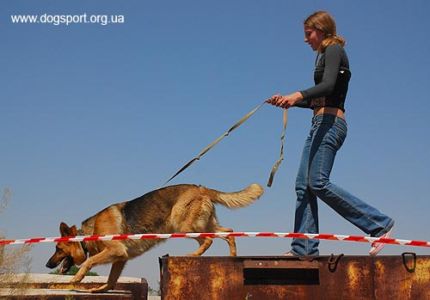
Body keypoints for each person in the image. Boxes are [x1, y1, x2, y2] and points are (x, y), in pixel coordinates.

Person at [266, 11, 394, 256]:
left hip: (330, 124)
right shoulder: (323, 56)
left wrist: (298, 94)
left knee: (318, 182)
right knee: (303, 186)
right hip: (319, 122)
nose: (306, 40)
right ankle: (303, 248)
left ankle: (379, 225)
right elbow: (321, 98)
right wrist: (288, 102)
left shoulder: (333, 48)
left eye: (308, 33)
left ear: (322, 29)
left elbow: (328, 86)